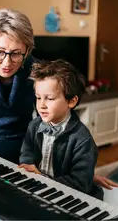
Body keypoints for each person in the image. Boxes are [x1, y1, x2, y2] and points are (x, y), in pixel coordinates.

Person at [0, 8, 118, 189]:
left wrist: (77, 167)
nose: (7, 63)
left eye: (16, 53)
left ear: (28, 50)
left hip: (16, 139)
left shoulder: (35, 70)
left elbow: (53, 120)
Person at [19, 59, 103, 199]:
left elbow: (80, 183)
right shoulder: (34, 125)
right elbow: (26, 152)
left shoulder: (82, 139)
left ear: (72, 101)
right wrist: (28, 165)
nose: (41, 105)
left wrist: (43, 179)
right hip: (38, 187)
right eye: (38, 98)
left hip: (68, 195)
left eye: (50, 99)